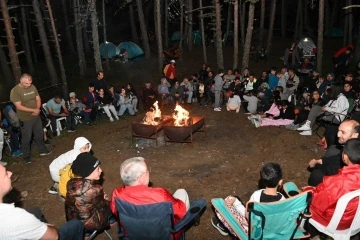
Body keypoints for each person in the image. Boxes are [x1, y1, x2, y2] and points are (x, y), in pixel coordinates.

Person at [110, 157, 189, 238]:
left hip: (134, 234)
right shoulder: (160, 195)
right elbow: (181, 212)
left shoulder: (117, 194)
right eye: (147, 171)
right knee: (181, 192)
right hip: (163, 235)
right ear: (141, 178)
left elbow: (114, 210)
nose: (149, 172)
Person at [0, 164, 84, 239]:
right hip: (52, 235)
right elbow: (54, 236)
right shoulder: (16, 218)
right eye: (5, 174)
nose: (10, 173)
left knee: (35, 211)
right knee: (76, 224)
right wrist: (48, 227)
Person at [211, 162, 285, 236]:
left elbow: (248, 217)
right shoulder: (284, 201)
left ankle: (223, 226)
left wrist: (236, 202)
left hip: (256, 234)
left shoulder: (256, 196)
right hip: (275, 234)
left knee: (230, 199)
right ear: (280, 182)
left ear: (262, 180)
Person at [308, 139, 360, 235]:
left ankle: (309, 231)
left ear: (345, 156)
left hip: (336, 223)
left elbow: (317, 203)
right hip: (355, 221)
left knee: (304, 199)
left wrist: (308, 191)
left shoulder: (338, 182)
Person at [9, 74, 51, 164]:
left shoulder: (32, 87)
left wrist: (37, 109)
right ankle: (26, 156)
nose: (29, 85)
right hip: (25, 118)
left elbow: (38, 98)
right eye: (27, 83)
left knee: (39, 134)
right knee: (27, 138)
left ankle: (42, 150)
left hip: (36, 116)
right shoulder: (15, 91)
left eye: (30, 83)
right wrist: (33, 110)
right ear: (21, 81)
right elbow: (19, 106)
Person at [66, 153, 113, 232]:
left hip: (73, 220)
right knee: (114, 205)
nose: (101, 171)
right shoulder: (95, 189)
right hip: (90, 224)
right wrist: (104, 199)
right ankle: (111, 221)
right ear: (88, 172)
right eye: (98, 169)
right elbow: (103, 206)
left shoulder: (71, 183)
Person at [307, 120, 359, 187]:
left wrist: (319, 166)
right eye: (339, 130)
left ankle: (311, 192)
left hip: (349, 181)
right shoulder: (352, 144)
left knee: (316, 175)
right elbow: (338, 157)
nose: (338, 135)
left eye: (343, 132)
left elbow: (339, 170)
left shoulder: (355, 151)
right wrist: (320, 161)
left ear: (355, 135)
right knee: (332, 149)